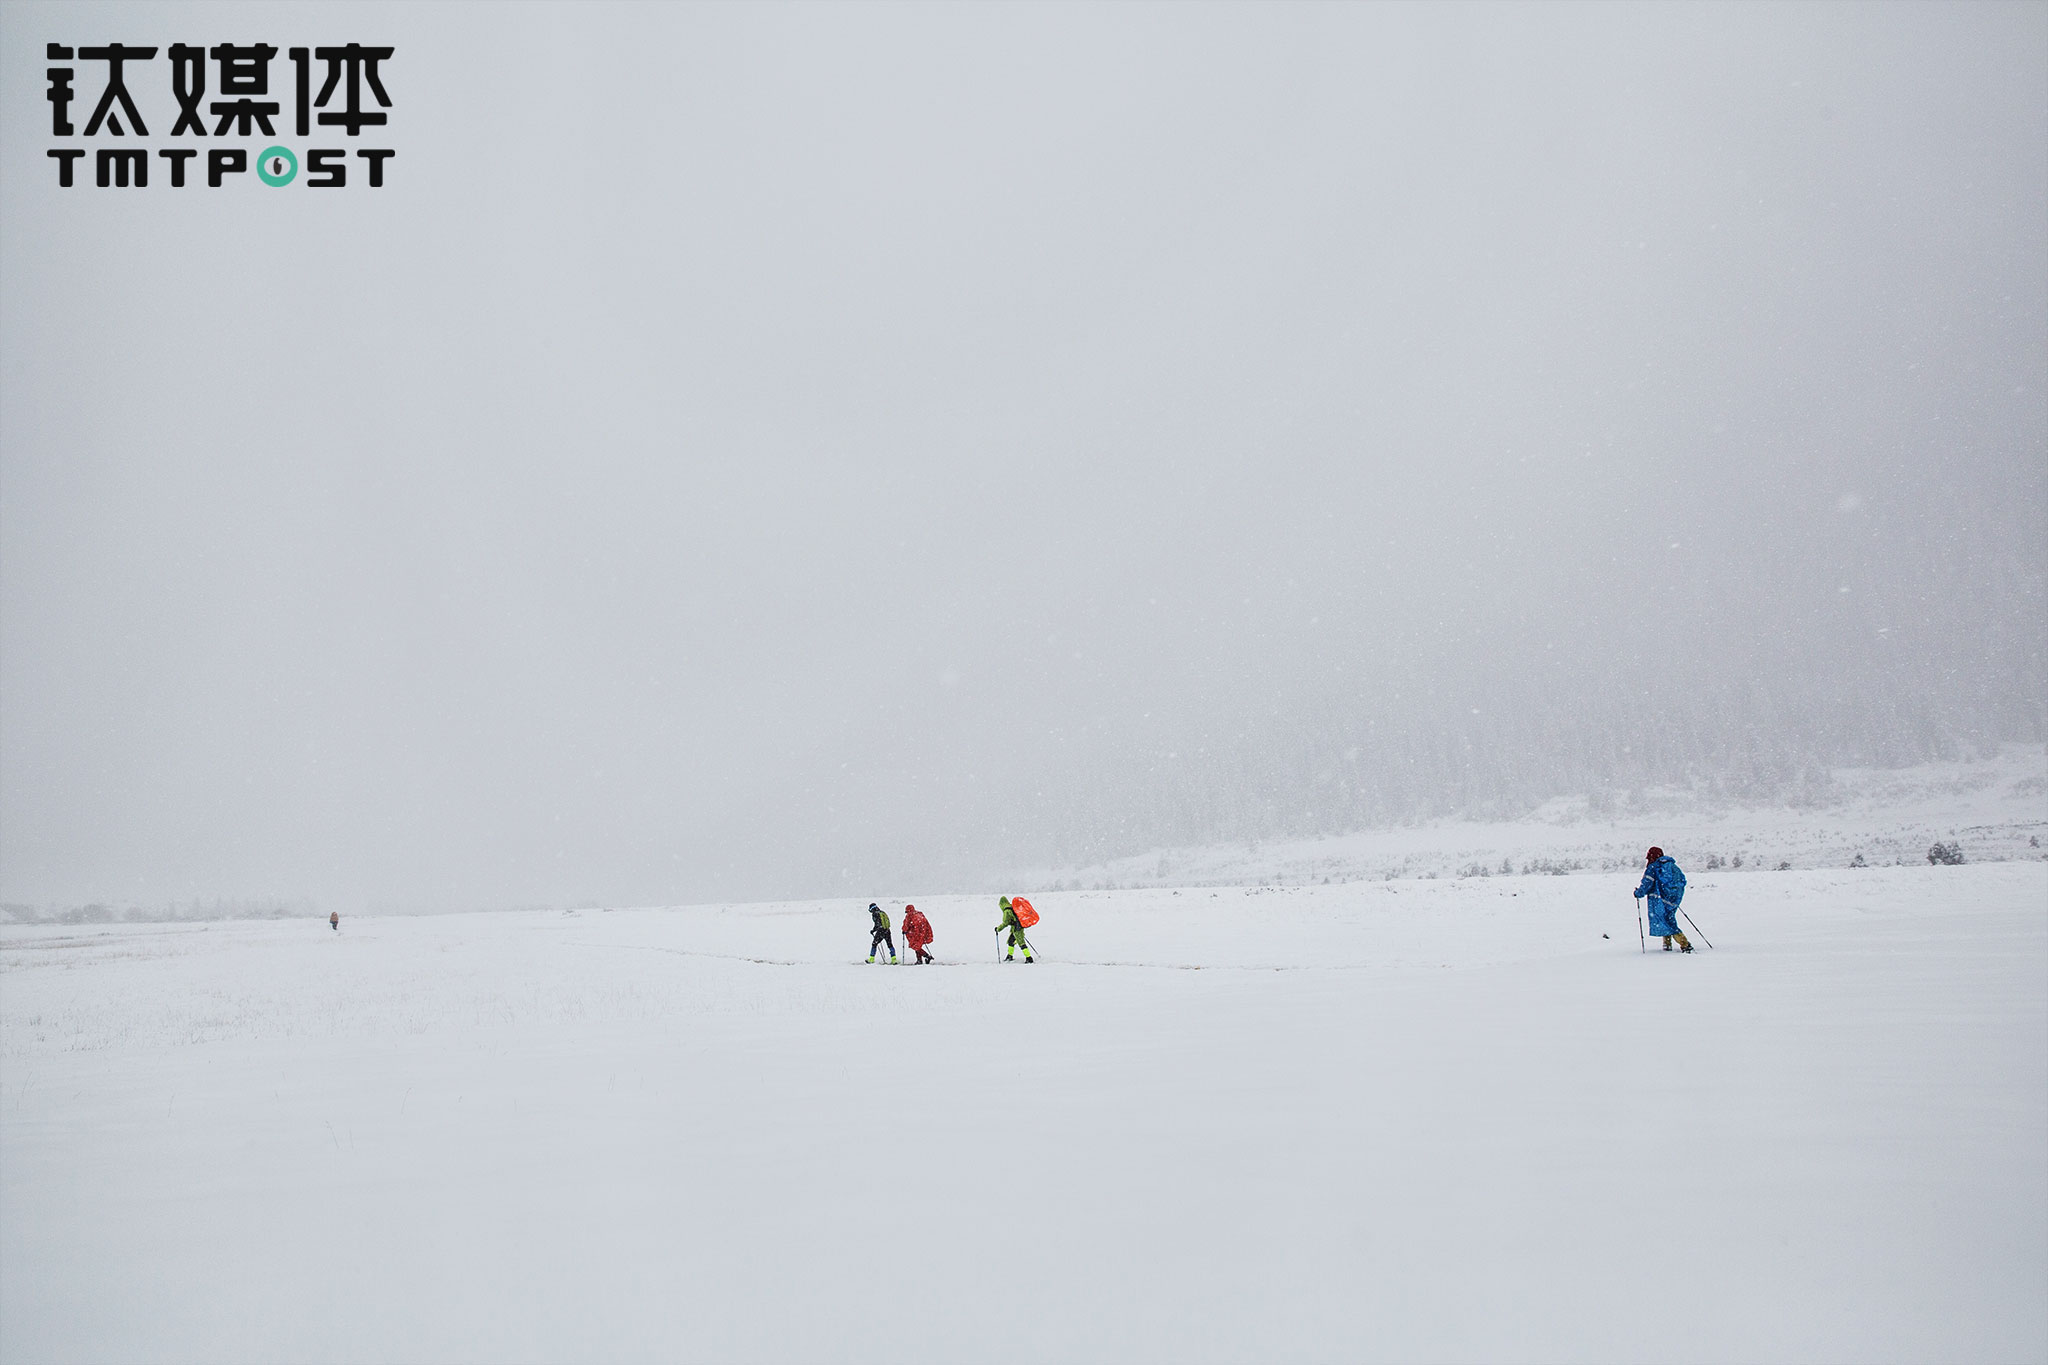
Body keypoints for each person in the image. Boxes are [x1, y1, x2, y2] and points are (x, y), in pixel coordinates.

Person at [1634, 846, 1691, 952]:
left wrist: (1638, 893)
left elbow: (1647, 883)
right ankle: (1667, 944)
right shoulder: (1671, 865)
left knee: (1665, 920)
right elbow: (1682, 880)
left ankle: (1684, 943)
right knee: (1668, 918)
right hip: (1673, 897)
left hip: (1659, 899)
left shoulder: (1653, 867)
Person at [996, 896, 1034, 963]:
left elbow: (1005, 923)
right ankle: (1009, 956)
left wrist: (998, 929)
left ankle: (1029, 958)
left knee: (1021, 943)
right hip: (1017, 928)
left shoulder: (1007, 911)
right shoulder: (1012, 907)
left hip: (1017, 929)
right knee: (1011, 941)